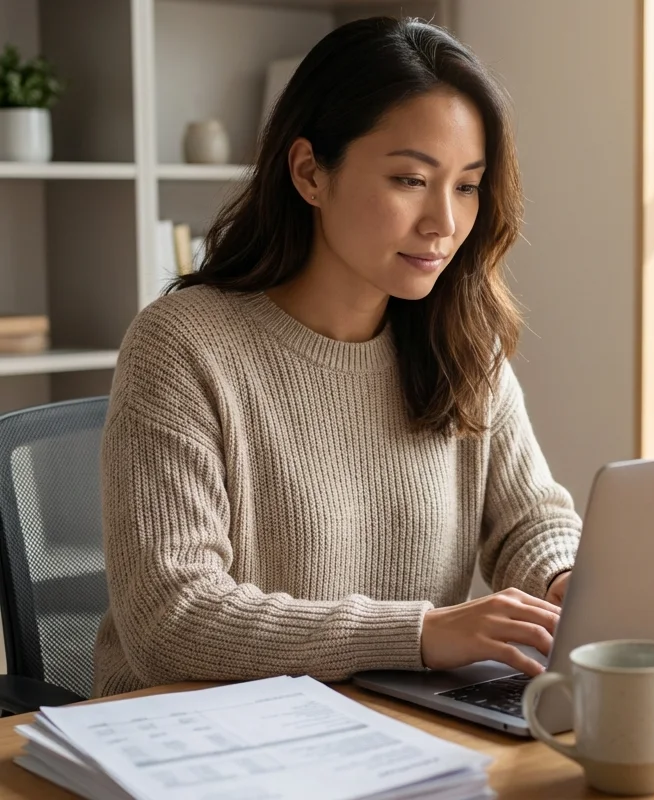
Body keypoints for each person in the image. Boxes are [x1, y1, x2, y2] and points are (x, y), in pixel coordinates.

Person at [92, 16, 581, 698]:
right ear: (309, 173)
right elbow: (171, 619)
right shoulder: (181, 345)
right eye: (410, 179)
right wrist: (417, 634)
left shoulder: (461, 340)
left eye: (467, 186)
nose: (444, 222)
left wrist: (564, 580)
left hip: (389, 720)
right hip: (197, 730)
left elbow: (529, 519)